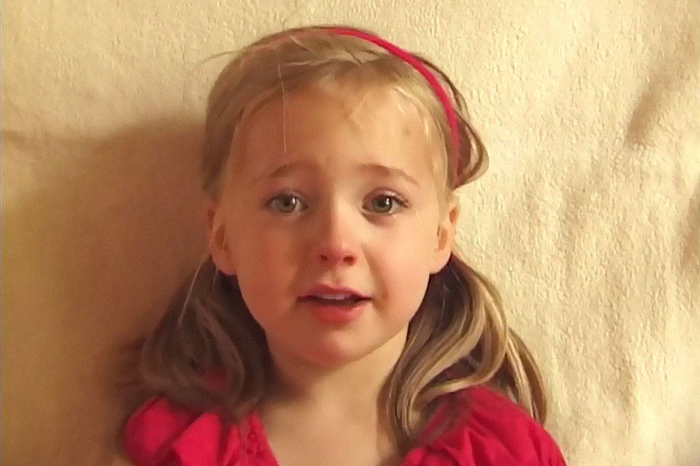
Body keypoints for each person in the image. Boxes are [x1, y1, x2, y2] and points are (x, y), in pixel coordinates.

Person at [123, 25, 567, 466]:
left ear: (440, 235)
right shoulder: (176, 447)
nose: (336, 244)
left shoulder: (504, 452)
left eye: (383, 203)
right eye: (287, 202)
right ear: (222, 237)